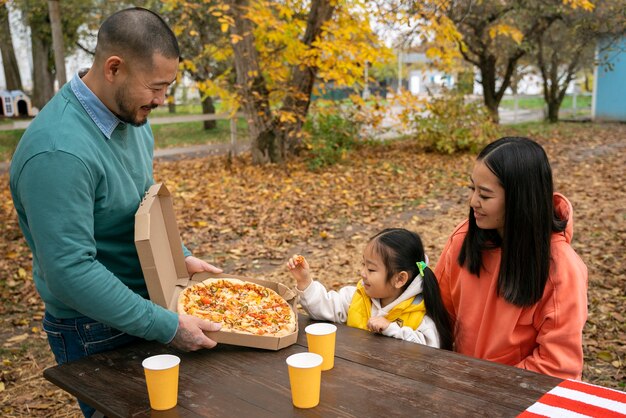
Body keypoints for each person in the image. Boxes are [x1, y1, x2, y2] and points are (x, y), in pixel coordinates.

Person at [9, 8, 222, 416]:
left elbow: (138, 206)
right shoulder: (58, 153)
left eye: (168, 87)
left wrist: (179, 254)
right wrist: (167, 326)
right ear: (113, 68)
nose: (162, 100)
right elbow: (70, 272)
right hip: (93, 328)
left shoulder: (131, 118)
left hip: (147, 307)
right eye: (156, 87)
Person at [434, 136, 588, 380]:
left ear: (520, 199)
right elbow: (437, 313)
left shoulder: (561, 269)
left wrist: (485, 385)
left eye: (485, 195)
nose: (473, 201)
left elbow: (557, 367)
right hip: (461, 387)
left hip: (518, 398)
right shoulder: (463, 239)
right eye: (472, 189)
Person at [287, 228, 453, 349]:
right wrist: (305, 280)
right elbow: (324, 308)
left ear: (400, 279)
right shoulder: (357, 297)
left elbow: (430, 352)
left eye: (371, 269)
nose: (362, 273)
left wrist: (391, 329)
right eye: (363, 264)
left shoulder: (419, 314)